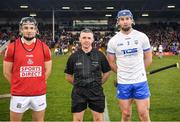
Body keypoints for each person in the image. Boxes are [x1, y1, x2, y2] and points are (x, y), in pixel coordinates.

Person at [3, 17, 52, 121]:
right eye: (26, 28)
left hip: (39, 94)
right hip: (19, 94)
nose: (29, 30)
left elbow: (48, 70)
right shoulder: (12, 47)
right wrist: (18, 85)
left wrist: (40, 83)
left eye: (31, 28)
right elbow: (6, 72)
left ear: (36, 30)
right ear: (21, 30)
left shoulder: (44, 47)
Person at [107, 10, 152, 121]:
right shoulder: (113, 41)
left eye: (127, 19)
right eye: (122, 19)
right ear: (118, 22)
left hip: (140, 81)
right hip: (123, 83)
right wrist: (122, 73)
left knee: (144, 114)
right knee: (126, 114)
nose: (125, 21)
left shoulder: (142, 37)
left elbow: (148, 58)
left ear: (132, 20)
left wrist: (139, 71)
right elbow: (111, 63)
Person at [64, 28, 111, 122]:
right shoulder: (73, 56)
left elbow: (107, 72)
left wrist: (98, 83)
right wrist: (79, 84)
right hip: (79, 92)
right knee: (77, 120)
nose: (86, 40)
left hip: (96, 91)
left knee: (98, 119)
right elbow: (68, 76)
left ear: (93, 40)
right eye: (84, 37)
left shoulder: (100, 55)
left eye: (89, 38)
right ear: (80, 39)